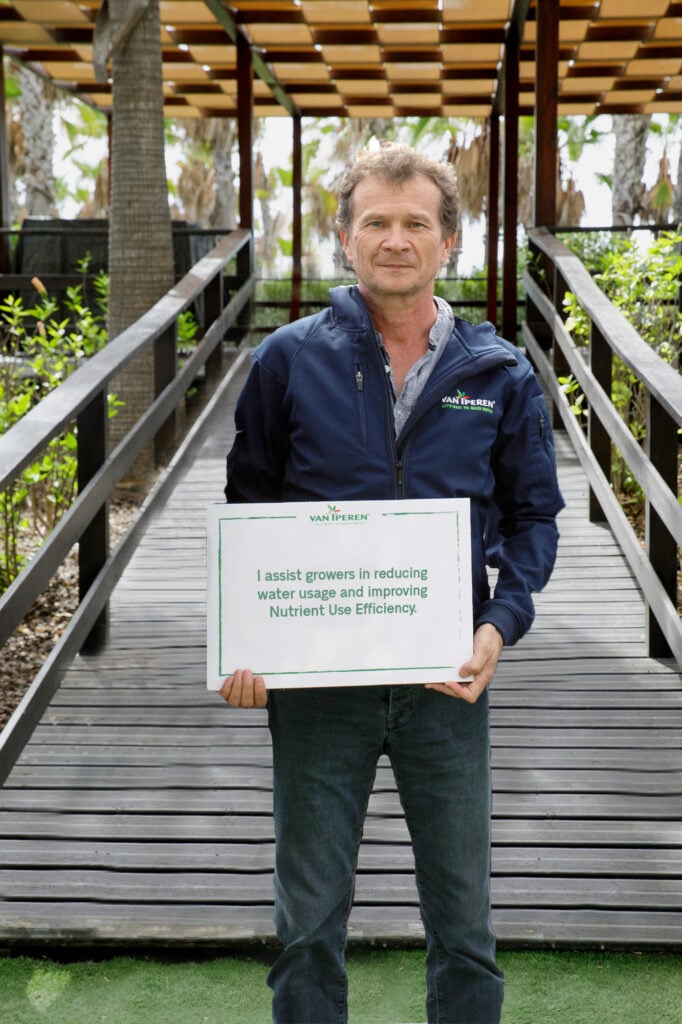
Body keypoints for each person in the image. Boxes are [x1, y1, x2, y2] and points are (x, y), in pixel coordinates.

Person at [219, 143, 564, 1024]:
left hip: (447, 680)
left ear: (449, 241)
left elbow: (534, 521)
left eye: (416, 223)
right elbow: (248, 513)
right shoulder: (288, 362)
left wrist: (499, 627)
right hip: (318, 690)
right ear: (345, 237)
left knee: (464, 922)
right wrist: (245, 642)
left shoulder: (500, 373)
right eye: (376, 221)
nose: (396, 239)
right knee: (306, 921)